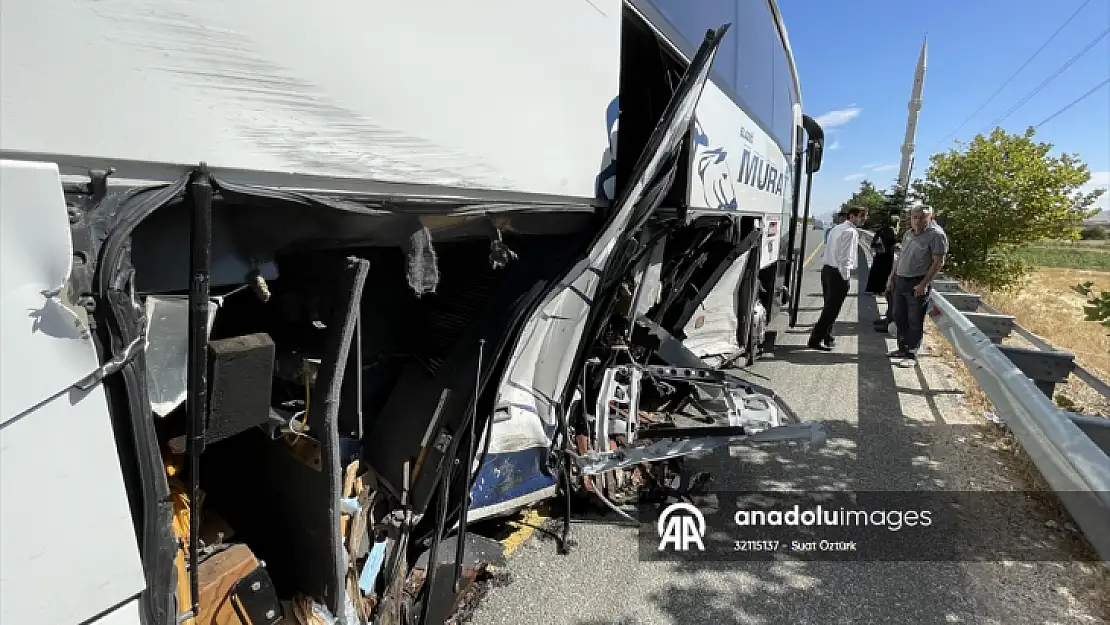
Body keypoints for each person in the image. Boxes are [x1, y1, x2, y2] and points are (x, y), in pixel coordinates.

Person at [887, 205, 948, 365]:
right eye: (915, 217)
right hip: (900, 279)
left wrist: (923, 284)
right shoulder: (908, 233)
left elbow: (938, 262)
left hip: (917, 281)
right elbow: (901, 257)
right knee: (899, 316)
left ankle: (911, 354)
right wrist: (892, 277)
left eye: (922, 217)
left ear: (931, 218)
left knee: (914, 319)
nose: (918, 221)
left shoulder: (936, 235)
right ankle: (902, 348)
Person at [809, 206, 866, 351]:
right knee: (831, 310)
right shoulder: (850, 231)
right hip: (837, 273)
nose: (864, 220)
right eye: (861, 216)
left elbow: (828, 248)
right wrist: (846, 278)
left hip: (827, 270)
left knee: (828, 306)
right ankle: (816, 339)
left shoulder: (837, 228)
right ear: (852, 216)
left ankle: (827, 337)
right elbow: (845, 258)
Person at [865, 217, 898, 295]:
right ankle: (882, 290)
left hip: (879, 254)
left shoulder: (881, 230)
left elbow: (874, 242)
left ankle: (873, 289)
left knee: (876, 272)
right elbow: (894, 241)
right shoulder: (891, 230)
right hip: (887, 255)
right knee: (885, 273)